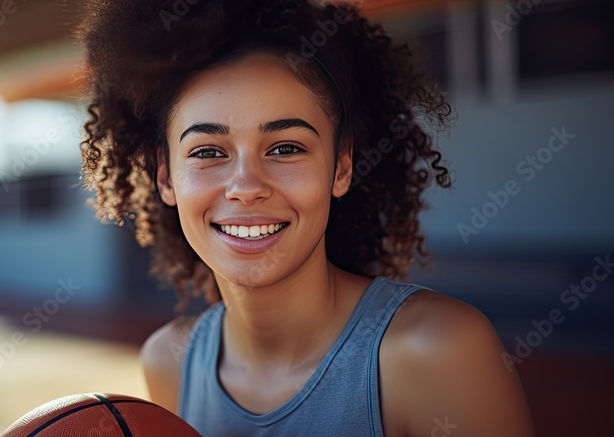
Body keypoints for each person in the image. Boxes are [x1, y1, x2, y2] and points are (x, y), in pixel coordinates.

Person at [76, 0, 535, 435]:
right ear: (166, 177)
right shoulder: (168, 362)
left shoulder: (440, 351)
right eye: (209, 151)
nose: (246, 185)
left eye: (286, 147)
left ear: (341, 166)